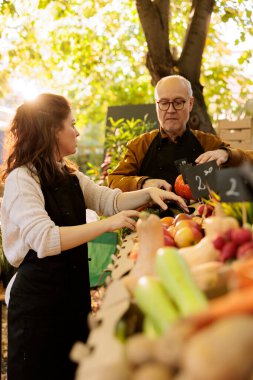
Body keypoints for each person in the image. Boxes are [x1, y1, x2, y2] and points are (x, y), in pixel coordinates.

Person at [0, 93, 188, 380]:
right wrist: (107, 225)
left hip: (71, 295)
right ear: (52, 130)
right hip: (37, 304)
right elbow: (45, 240)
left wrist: (149, 193)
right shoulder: (22, 180)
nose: (77, 131)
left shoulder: (70, 176)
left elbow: (108, 200)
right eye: (71, 125)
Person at [108, 75, 253, 192]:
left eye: (178, 102)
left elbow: (248, 162)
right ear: (156, 105)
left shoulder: (208, 143)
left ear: (190, 104)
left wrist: (227, 154)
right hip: (151, 221)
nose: (170, 110)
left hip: (197, 220)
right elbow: (113, 181)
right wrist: (143, 182)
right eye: (164, 102)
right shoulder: (139, 146)